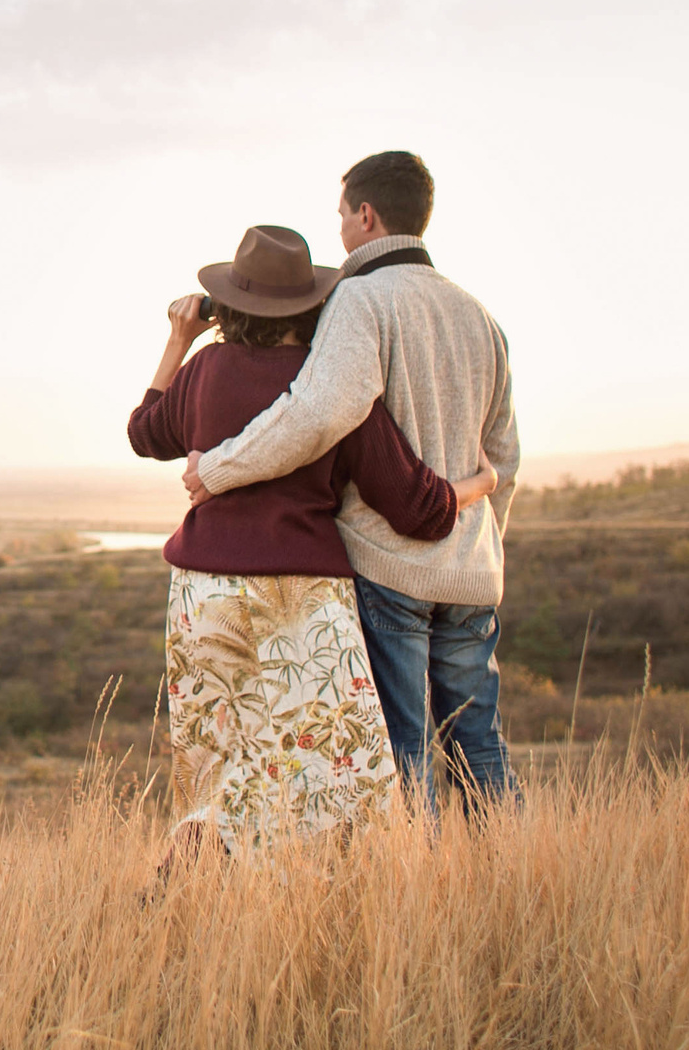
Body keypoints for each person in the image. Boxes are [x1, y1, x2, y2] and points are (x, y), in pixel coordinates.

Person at [129, 223, 497, 856]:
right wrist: (475, 485)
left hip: (199, 597)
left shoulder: (202, 371)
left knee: (227, 764)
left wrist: (178, 340)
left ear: (230, 304)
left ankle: (200, 873)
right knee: (338, 775)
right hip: (299, 602)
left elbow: (144, 433)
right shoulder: (329, 383)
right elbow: (415, 508)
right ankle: (327, 907)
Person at [181, 152, 521, 811]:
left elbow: (319, 412)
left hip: (391, 566)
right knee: (480, 744)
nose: (339, 228)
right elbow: (502, 453)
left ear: (367, 216)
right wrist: (483, 546)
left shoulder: (360, 301)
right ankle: (508, 882)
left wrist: (218, 469)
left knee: (403, 751)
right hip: (471, 571)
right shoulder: (479, 314)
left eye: (341, 214)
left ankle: (411, 897)